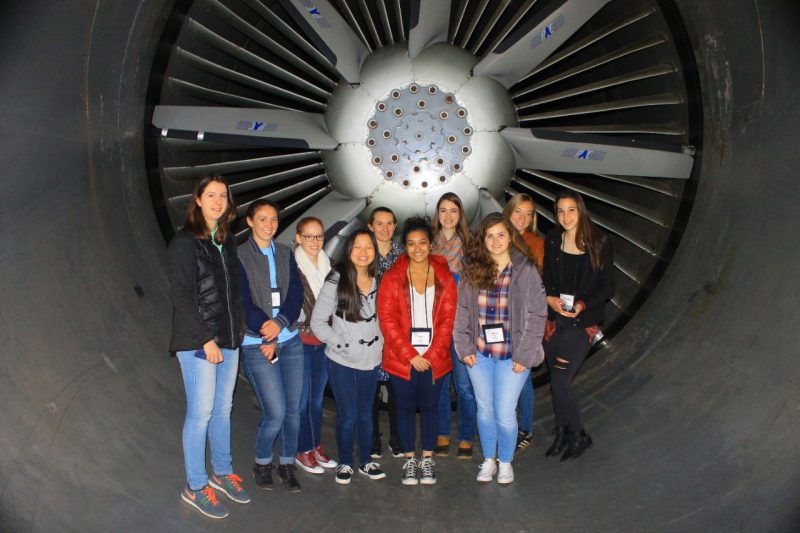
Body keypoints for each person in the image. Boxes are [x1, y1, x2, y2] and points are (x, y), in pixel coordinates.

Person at [167, 175, 249, 519]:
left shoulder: (226, 241)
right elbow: (182, 297)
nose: (218, 201)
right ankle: (195, 486)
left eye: (223, 196)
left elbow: (232, 293)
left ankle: (221, 471)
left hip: (228, 339)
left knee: (223, 409)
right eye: (210, 195)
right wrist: (205, 338)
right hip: (199, 341)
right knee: (200, 413)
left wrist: (238, 332)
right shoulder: (184, 243)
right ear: (197, 200)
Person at [454, 213, 547, 484]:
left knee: (505, 412)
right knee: (485, 410)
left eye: (501, 235)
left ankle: (505, 461)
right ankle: (489, 459)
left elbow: (538, 314)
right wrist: (463, 345)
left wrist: (526, 354)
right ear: (483, 240)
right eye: (490, 236)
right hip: (480, 354)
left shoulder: (525, 270)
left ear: (511, 237)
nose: (495, 241)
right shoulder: (473, 269)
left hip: (512, 357)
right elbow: (462, 311)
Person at [377, 217, 457, 485]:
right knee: (405, 408)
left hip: (435, 359)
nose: (417, 248)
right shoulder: (392, 277)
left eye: (422, 242)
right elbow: (387, 321)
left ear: (431, 244)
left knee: (431, 408)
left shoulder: (445, 277)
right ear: (405, 247)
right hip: (403, 359)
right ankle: (410, 459)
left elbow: (448, 321)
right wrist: (411, 356)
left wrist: (431, 357)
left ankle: (427, 459)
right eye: (411, 244)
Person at [238, 199, 305, 492]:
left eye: (274, 219)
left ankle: (287, 463)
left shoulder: (286, 253)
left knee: (293, 410)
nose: (269, 224)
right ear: (250, 222)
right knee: (275, 412)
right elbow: (242, 301)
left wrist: (280, 325)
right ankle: (263, 461)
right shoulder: (238, 255)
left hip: (290, 342)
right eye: (262, 219)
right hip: (257, 344)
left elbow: (296, 293)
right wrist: (269, 335)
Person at [542, 191, 614, 462]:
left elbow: (608, 287)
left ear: (581, 211)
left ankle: (580, 435)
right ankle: (562, 433)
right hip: (554, 321)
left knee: (561, 383)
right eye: (560, 211)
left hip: (580, 324)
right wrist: (550, 298)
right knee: (555, 383)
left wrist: (582, 305)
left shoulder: (600, 242)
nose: (566, 216)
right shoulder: (552, 239)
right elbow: (548, 277)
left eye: (571, 210)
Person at [310, 229, 386, 485]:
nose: (363, 253)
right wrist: (341, 343)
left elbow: (386, 319)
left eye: (369, 247)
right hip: (341, 359)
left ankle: (365, 460)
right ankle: (345, 462)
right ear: (349, 250)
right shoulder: (337, 278)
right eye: (357, 247)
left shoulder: (380, 278)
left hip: (371, 358)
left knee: (366, 413)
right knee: (347, 414)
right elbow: (318, 322)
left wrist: (383, 345)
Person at [430, 192, 478, 459]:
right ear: (437, 215)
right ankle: (442, 433)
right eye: (443, 210)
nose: (448, 216)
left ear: (461, 215)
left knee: (463, 385)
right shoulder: (429, 247)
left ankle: (466, 436)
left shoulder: (469, 247)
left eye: (453, 211)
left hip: (461, 325)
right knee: (439, 383)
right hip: (437, 325)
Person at [293, 217, 337, 474]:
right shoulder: (291, 265)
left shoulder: (327, 265)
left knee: (317, 399)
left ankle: (314, 446)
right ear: (298, 238)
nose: (314, 241)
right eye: (308, 236)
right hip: (301, 341)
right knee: (302, 399)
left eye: (319, 236)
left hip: (322, 341)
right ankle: (302, 450)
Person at [503, 193, 545, 451]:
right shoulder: (497, 238)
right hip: (498, 320)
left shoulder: (537, 244)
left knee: (524, 379)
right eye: (519, 212)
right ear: (508, 212)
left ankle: (525, 428)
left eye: (529, 214)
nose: (523, 219)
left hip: (524, 320)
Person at [366, 207, 404, 459]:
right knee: (371, 389)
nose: (385, 228)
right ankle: (373, 438)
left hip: (395, 329)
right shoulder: (362, 253)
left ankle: (397, 436)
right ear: (370, 226)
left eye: (390, 223)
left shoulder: (403, 255)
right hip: (368, 329)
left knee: (396, 387)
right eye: (380, 223)